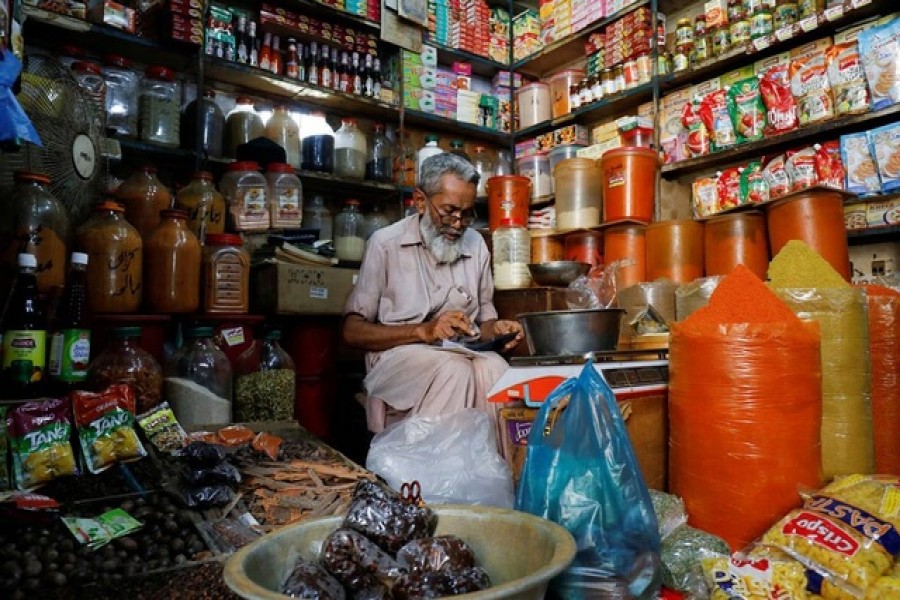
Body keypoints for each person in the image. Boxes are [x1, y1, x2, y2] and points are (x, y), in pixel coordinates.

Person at [342, 153, 524, 432]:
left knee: (496, 369)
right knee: (453, 370)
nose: (458, 223)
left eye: (467, 213)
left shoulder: (476, 245)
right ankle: (429, 473)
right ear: (420, 202)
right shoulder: (385, 244)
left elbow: (483, 325)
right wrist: (424, 331)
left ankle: (492, 469)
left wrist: (497, 329)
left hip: (459, 352)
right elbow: (352, 331)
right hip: (396, 357)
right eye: (449, 211)